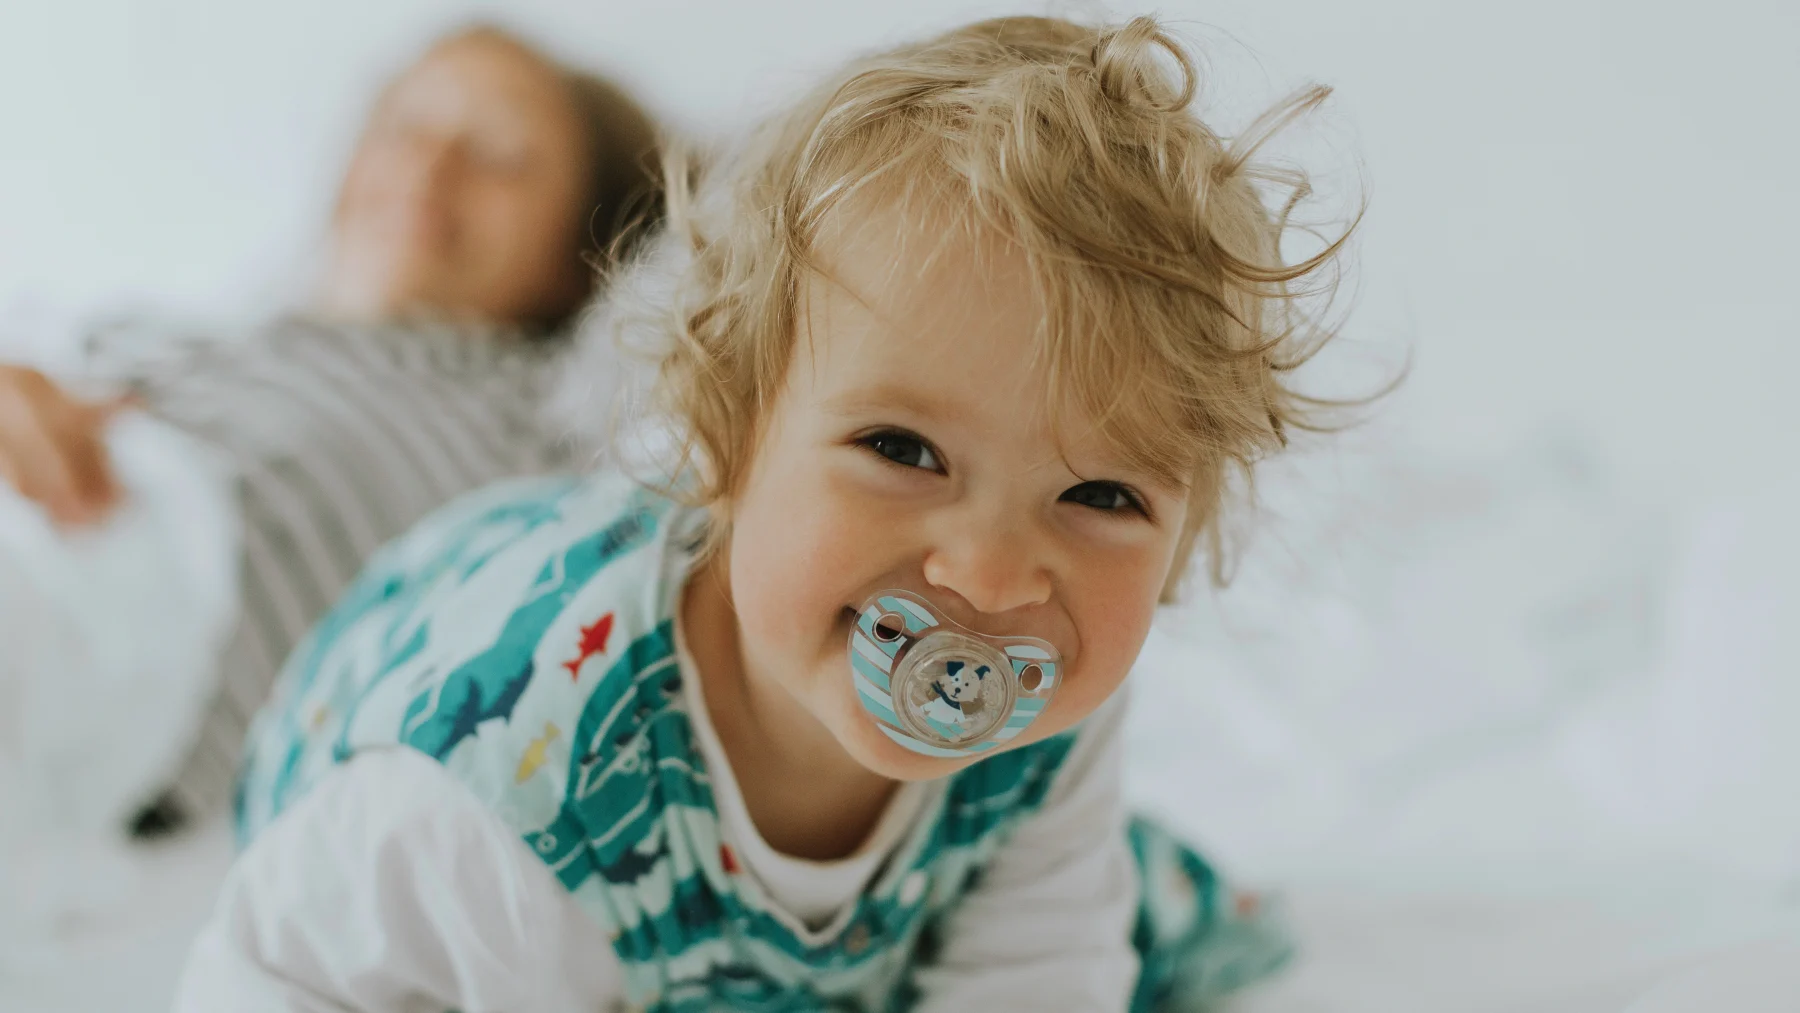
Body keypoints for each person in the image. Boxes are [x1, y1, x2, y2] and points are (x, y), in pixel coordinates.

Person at [177, 14, 1354, 1011]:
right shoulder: (487, 801)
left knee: (1123, 915)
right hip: (428, 692)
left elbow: (1032, 973)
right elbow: (268, 969)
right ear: (728, 436)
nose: (995, 579)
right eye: (904, 449)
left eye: (1102, 496)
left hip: (777, 897)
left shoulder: (1042, 698)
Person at [0, 23, 660, 837]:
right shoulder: (176, 333)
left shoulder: (526, 420)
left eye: (500, 151)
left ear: (581, 248)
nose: (429, 165)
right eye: (404, 126)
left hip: (114, 600)